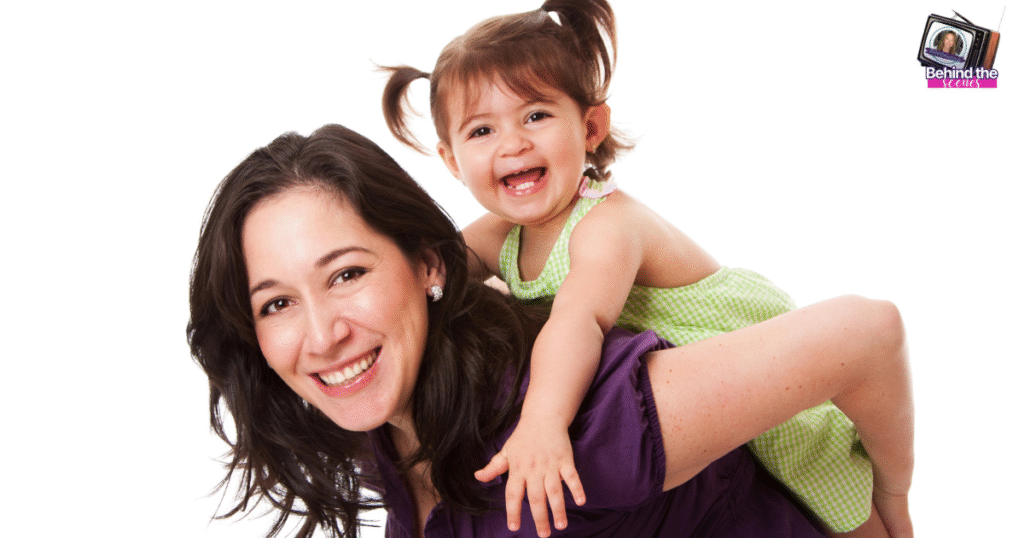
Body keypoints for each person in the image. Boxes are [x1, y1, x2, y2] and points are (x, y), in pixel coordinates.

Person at [187, 124, 914, 538]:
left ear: (428, 266)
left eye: (347, 274)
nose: (322, 335)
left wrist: (893, 506)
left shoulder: (585, 427)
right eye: (276, 304)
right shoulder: (389, 421)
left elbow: (865, 333)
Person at [381, 1, 896, 535]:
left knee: (827, 491)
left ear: (591, 126)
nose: (513, 143)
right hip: (685, 402)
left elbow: (579, 321)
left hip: (742, 358)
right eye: (481, 131)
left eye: (536, 116)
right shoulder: (498, 232)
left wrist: (542, 421)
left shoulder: (606, 222)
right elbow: (428, 270)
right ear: (450, 161)